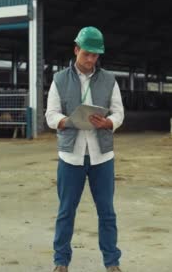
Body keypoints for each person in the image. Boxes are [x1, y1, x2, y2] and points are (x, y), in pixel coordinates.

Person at [45, 26, 124, 272]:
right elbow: (50, 114)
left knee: (107, 213)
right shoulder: (59, 80)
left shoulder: (109, 80)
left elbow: (119, 111)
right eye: (87, 54)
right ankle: (61, 262)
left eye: (95, 55)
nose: (91, 60)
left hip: (102, 156)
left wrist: (109, 122)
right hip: (71, 157)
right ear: (76, 49)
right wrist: (67, 121)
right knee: (66, 211)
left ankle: (112, 263)